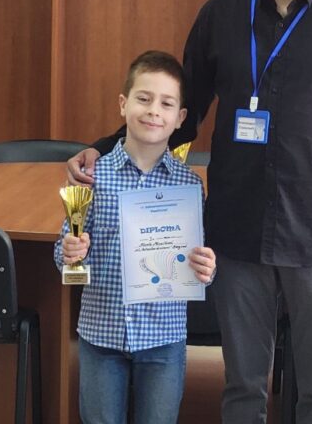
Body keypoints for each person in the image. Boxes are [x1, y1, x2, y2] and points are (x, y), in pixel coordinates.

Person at [68, 0, 312, 422]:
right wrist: (105, 147)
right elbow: (181, 116)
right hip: (237, 232)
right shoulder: (219, 16)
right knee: (243, 386)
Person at [55, 50, 217, 424]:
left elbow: (199, 267)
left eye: (166, 104)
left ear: (180, 118)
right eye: (143, 99)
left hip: (163, 338)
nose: (153, 111)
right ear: (123, 104)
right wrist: (68, 252)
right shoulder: (91, 177)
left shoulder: (189, 186)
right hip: (101, 335)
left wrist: (207, 269)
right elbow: (65, 258)